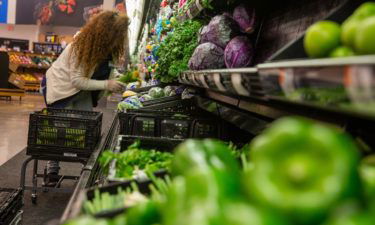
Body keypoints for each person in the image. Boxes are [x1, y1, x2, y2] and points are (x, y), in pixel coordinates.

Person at [41, 11, 128, 186]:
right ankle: (52, 171)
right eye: (117, 34)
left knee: (86, 130)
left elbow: (105, 69)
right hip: (61, 89)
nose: (120, 39)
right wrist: (107, 85)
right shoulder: (81, 46)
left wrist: (118, 78)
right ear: (106, 32)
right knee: (59, 131)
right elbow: (77, 80)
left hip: (81, 91)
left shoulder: (105, 48)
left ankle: (87, 171)